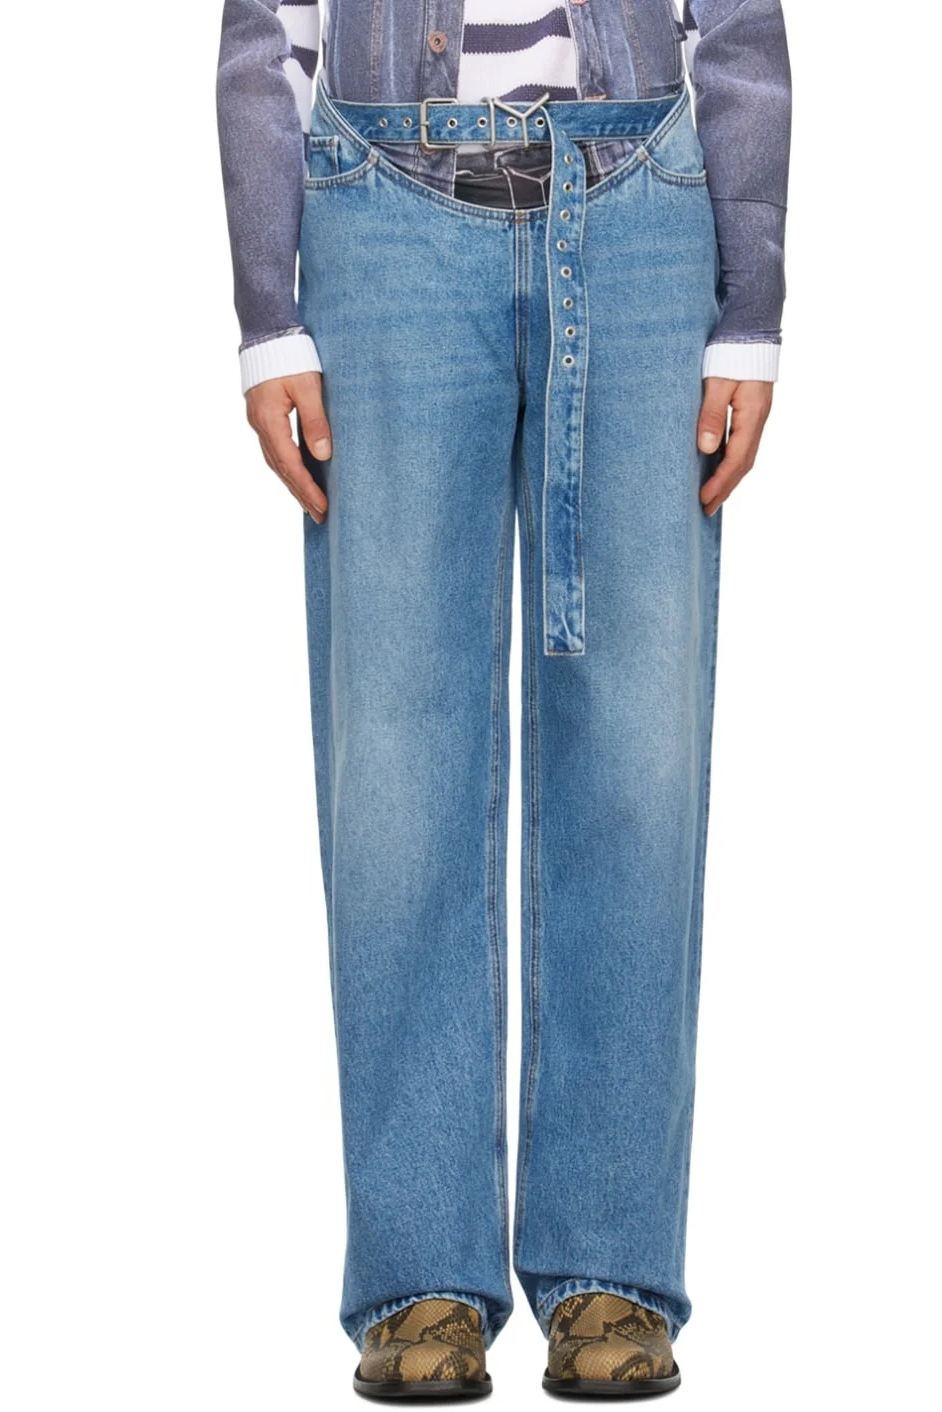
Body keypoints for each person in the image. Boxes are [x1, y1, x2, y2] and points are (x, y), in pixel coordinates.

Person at [216, 1, 791, 1399]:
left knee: (635, 754)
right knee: (396, 762)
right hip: (381, 217)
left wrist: (751, 309)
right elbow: (262, 30)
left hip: (642, 211)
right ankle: (420, 1275)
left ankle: (611, 1271)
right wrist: (267, 316)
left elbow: (736, 23)